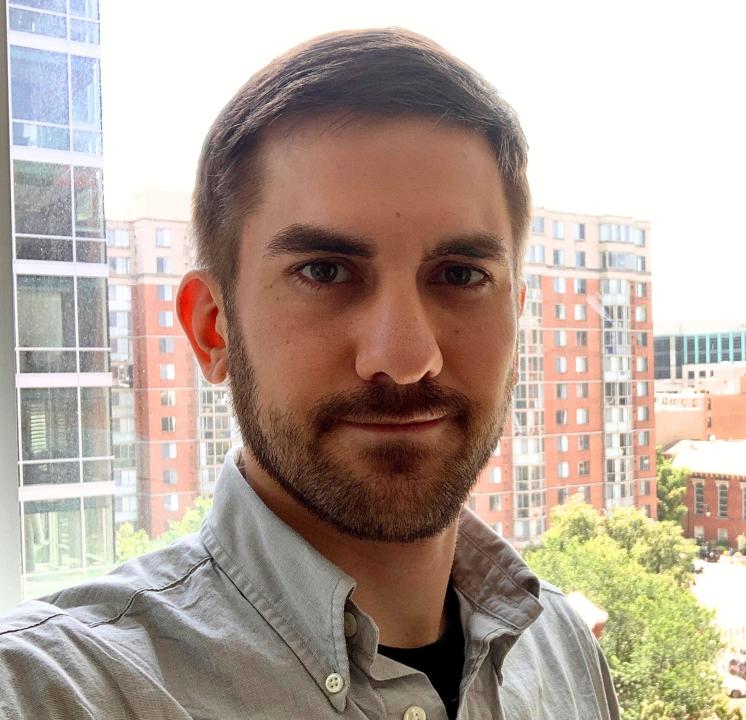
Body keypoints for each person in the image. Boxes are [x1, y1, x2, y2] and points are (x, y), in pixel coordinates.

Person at [0, 28, 620, 720]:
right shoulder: (52, 693)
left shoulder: (562, 651)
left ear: (516, 317)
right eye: (324, 272)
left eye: (461, 275)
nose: (405, 356)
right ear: (213, 328)